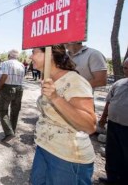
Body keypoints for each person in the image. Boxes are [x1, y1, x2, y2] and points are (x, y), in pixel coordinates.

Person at [29, 45, 96, 184]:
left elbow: (90, 126)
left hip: (68, 158)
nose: (30, 57)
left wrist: (56, 98)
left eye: (33, 52)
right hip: (45, 149)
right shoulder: (49, 79)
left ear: (50, 54)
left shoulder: (74, 81)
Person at [98, 58, 128, 184]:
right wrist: (103, 118)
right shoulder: (119, 83)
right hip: (114, 125)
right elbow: (109, 102)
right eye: (125, 68)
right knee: (112, 153)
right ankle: (112, 178)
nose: (126, 71)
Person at [0, 49, 25, 142]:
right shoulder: (21, 65)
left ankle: (9, 132)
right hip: (19, 88)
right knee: (15, 111)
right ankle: (12, 131)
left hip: (7, 88)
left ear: (9, 55)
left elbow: (4, 76)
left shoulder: (6, 63)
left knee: (2, 109)